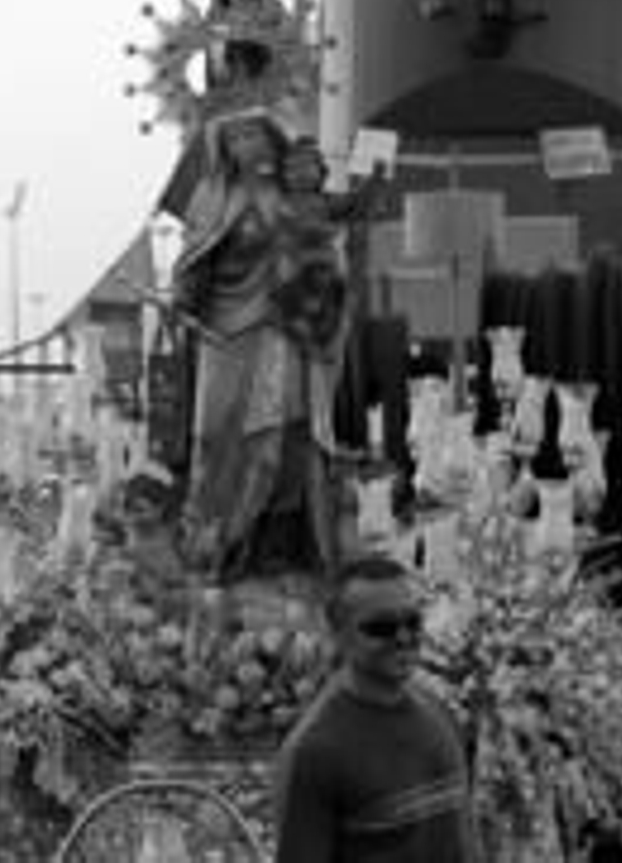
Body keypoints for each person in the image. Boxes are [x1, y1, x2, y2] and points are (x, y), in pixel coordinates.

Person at [175, 98, 372, 584]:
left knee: (279, 434)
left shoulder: (288, 190)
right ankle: (216, 542)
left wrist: (325, 282)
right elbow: (192, 257)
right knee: (218, 434)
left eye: (255, 135)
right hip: (224, 329)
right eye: (236, 138)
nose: (247, 146)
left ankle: (277, 541)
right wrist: (184, 294)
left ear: (271, 139)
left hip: (283, 326)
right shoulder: (211, 193)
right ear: (222, 146)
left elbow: (324, 240)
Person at [271, 555, 478, 862]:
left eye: (413, 621)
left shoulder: (438, 710)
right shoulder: (315, 751)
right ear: (338, 634)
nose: (404, 637)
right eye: (381, 627)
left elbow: (463, 839)